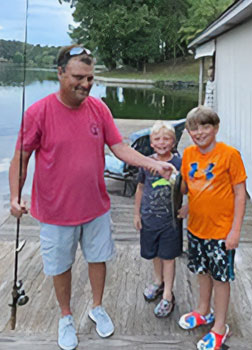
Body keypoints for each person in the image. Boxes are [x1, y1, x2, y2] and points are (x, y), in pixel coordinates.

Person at [9, 45, 173, 350]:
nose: (85, 84)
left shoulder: (100, 109)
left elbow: (119, 148)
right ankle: (66, 316)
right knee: (61, 266)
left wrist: (153, 163)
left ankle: (97, 307)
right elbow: (21, 157)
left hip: (96, 207)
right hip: (55, 212)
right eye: (78, 77)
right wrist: (15, 197)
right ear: (60, 74)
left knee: (99, 260)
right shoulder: (38, 112)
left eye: (90, 78)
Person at [178, 106, 247, 350]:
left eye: (205, 126)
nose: (200, 132)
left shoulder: (229, 155)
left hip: (221, 233)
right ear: (188, 131)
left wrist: (235, 231)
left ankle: (220, 327)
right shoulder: (187, 154)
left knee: (221, 279)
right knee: (202, 272)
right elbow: (189, 185)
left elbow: (240, 194)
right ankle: (203, 310)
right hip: (196, 229)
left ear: (216, 128)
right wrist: (185, 205)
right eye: (194, 128)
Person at [134, 121, 183, 318]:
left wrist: (187, 207)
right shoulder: (146, 162)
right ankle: (157, 281)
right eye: (157, 139)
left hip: (171, 220)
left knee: (168, 257)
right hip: (149, 218)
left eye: (166, 139)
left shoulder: (179, 163)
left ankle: (168, 294)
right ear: (151, 143)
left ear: (173, 142)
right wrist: (136, 214)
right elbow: (140, 188)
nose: (162, 143)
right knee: (154, 253)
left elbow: (187, 188)